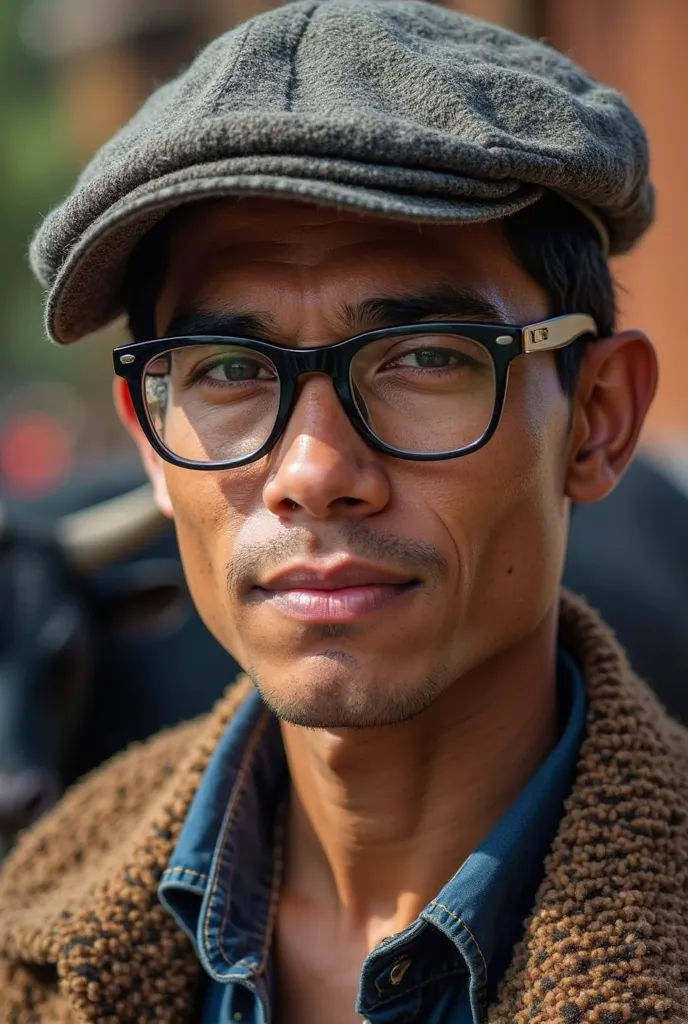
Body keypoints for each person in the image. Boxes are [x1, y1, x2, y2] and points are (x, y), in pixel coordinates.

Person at [0, 1, 682, 1021]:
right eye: (230, 368)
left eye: (423, 358)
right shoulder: (28, 931)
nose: (314, 468)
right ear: (147, 441)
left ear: (597, 418)